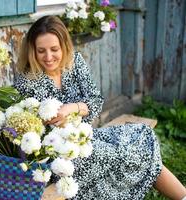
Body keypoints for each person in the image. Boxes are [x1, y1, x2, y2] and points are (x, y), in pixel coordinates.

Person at [13, 15, 186, 200]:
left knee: (140, 136)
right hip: (59, 155)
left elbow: (95, 100)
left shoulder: (74, 62)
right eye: (41, 51)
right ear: (32, 50)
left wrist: (73, 108)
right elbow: (33, 131)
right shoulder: (27, 81)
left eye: (54, 49)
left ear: (64, 46)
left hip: (87, 136)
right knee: (134, 153)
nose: (48, 57)